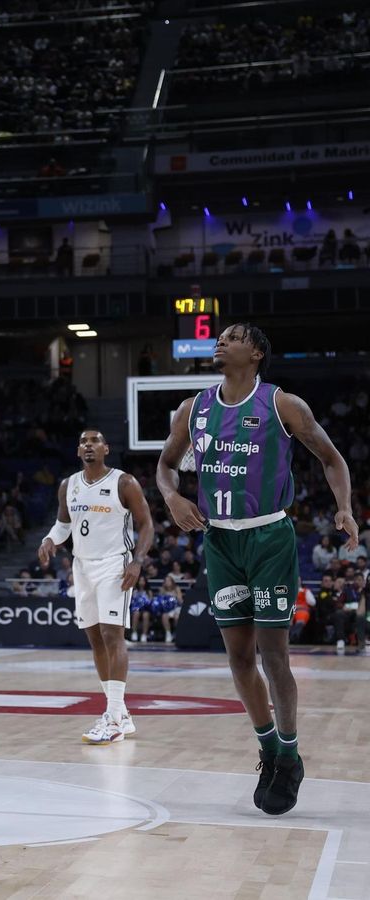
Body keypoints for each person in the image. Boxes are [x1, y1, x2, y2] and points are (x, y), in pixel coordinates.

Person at [156, 323, 359, 816]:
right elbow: (165, 465)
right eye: (219, 336)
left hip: (269, 536)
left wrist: (345, 507)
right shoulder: (193, 409)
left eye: (233, 337)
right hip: (220, 541)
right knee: (239, 658)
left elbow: (331, 459)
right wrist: (173, 497)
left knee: (274, 654)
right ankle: (268, 747)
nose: (220, 341)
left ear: (257, 353)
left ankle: (289, 755)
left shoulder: (282, 404)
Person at [39, 429, 154, 744]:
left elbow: (146, 525)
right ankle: (122, 714)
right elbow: (64, 525)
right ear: (78, 452)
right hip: (82, 567)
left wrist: (138, 561)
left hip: (114, 565)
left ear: (106, 448)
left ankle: (114, 719)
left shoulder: (124, 482)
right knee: (95, 638)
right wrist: (50, 539)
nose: (88, 445)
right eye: (83, 442)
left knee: (111, 635)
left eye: (94, 441)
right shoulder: (69, 485)